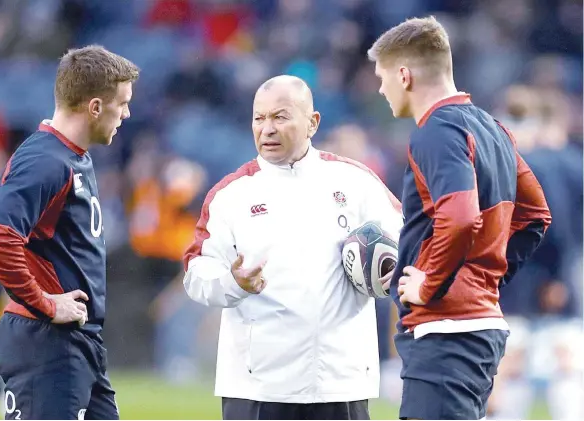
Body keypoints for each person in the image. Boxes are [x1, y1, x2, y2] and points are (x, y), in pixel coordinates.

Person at [183, 75, 403, 420]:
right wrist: (233, 282)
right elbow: (196, 273)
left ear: (312, 122)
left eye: (280, 117)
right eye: (259, 118)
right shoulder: (231, 195)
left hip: (340, 381)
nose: (267, 128)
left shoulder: (358, 183)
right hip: (258, 386)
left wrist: (393, 273)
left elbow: (407, 246)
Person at [367, 16, 552, 420]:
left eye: (382, 77)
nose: (380, 88)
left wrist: (432, 283)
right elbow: (536, 215)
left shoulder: (435, 129)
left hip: (447, 332)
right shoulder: (493, 128)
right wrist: (485, 279)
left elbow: (462, 215)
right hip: (477, 327)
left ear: (404, 74)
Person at [0, 45, 139, 420]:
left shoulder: (72, 154)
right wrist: (47, 303)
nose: (127, 113)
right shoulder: (45, 159)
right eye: (123, 103)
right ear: (95, 106)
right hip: (46, 343)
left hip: (77, 342)